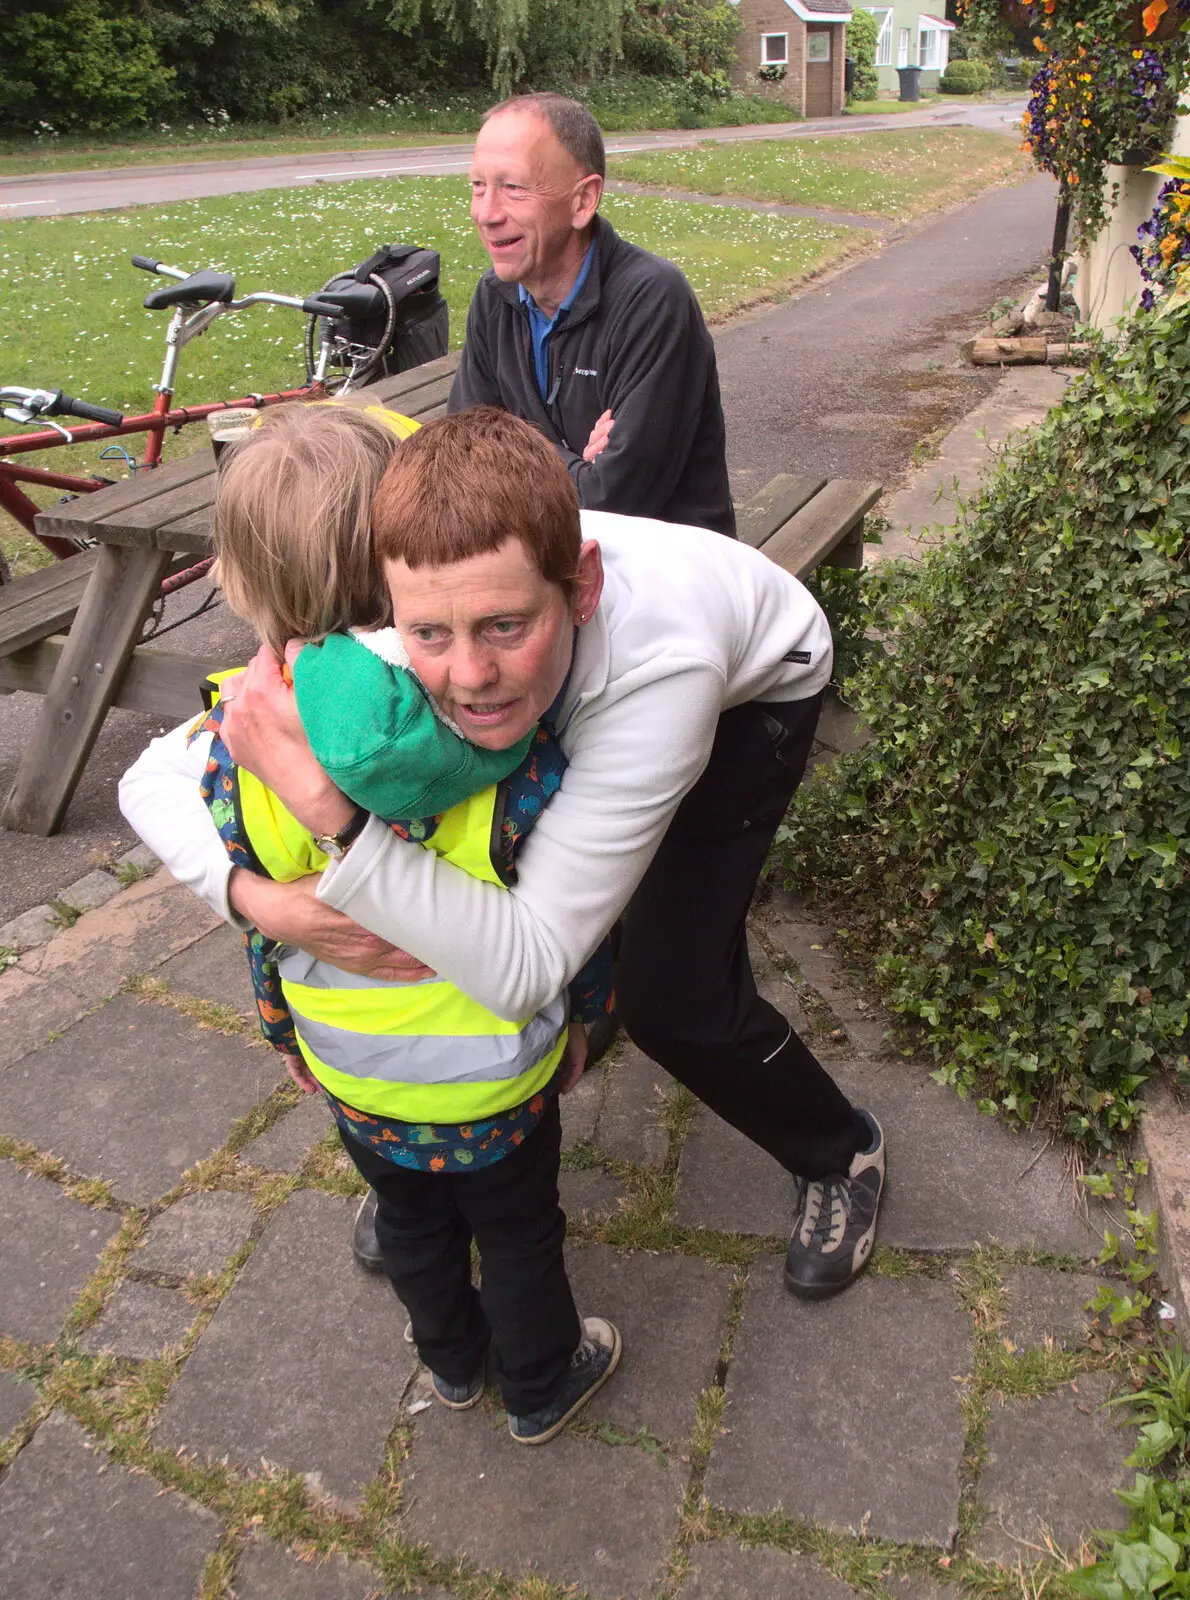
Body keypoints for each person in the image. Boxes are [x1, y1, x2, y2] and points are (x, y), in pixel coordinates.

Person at [120, 406, 887, 1306]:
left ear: (578, 590)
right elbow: (154, 778)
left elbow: (521, 964)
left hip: (752, 688)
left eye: (502, 628)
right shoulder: (420, 625)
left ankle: (840, 1150)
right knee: (521, 872)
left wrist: (336, 817)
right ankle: (440, 1164)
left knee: (674, 995)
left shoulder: (657, 677)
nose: (465, 674)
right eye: (425, 635)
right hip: (584, 676)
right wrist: (260, 900)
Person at [150, 403, 621, 1445]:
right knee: (519, 1232)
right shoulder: (504, 738)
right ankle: (540, 1381)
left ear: (237, 581)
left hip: (357, 1077)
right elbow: (569, 923)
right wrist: (586, 1018)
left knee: (408, 1225)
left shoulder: (238, 741)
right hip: (500, 1078)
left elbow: (264, 925)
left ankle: (452, 1366)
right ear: (394, 564)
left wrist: (286, 1036)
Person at [451, 91, 735, 538]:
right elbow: (457, 459)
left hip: (668, 577)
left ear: (583, 201)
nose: (486, 213)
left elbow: (612, 503)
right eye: (477, 185)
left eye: (513, 188)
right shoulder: (495, 296)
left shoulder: (652, 299)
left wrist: (507, 442)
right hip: (551, 570)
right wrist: (572, 463)